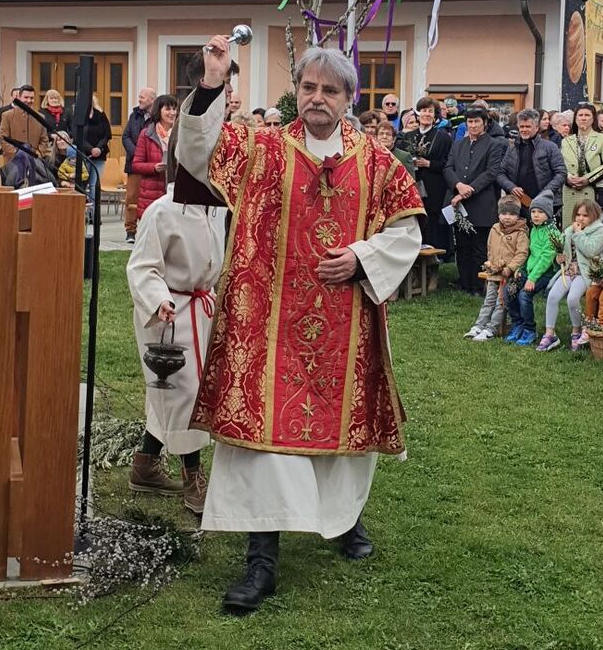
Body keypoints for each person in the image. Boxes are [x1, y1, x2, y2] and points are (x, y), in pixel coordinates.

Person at [175, 39, 424, 614]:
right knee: (265, 444)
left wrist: (361, 257)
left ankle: (342, 520)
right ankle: (261, 560)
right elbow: (197, 149)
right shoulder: (262, 148)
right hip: (266, 326)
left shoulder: (378, 163)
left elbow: (406, 232)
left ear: (348, 98)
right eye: (309, 87)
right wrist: (211, 83)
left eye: (329, 90)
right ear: (296, 92)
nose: (317, 98)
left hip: (344, 328)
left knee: (340, 440)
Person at [127, 173, 225, 513]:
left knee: (173, 395)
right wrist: (159, 300)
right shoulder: (162, 210)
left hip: (201, 307)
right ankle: (192, 479)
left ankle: (145, 463)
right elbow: (142, 267)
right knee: (184, 394)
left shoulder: (217, 208)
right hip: (169, 313)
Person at [444, 105, 507, 294]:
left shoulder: (494, 144)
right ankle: (464, 283)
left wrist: (468, 190)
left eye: (476, 121)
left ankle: (479, 285)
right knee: (462, 245)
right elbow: (448, 168)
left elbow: (491, 172)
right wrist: (458, 185)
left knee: (479, 246)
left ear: (485, 123)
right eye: (470, 122)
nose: (473, 125)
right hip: (458, 201)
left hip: (481, 202)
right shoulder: (458, 144)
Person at [538, 200, 603, 352]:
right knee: (552, 296)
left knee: (572, 299)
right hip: (569, 271)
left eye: (585, 215)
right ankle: (550, 334)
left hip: (586, 273)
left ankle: (576, 331)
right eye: (578, 214)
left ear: (594, 216)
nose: (580, 218)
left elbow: (591, 251)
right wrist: (559, 259)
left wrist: (579, 234)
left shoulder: (599, 231)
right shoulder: (569, 230)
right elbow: (563, 253)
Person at [465, 197, 529, 340]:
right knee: (488, 300)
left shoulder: (520, 232)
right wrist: (491, 264)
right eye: (504, 213)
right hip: (494, 272)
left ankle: (491, 329)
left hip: (508, 275)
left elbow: (522, 254)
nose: (507, 217)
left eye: (512, 214)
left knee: (501, 302)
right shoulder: (494, 229)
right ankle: (479, 326)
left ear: (517, 215)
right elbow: (490, 248)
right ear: (499, 214)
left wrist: (510, 268)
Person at [505, 190, 560, 346]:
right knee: (509, 290)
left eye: (540, 212)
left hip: (545, 273)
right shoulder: (534, 229)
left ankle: (530, 329)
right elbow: (529, 253)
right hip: (529, 270)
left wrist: (532, 278)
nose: (536, 215)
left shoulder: (553, 233)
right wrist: (520, 269)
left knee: (524, 295)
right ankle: (518, 324)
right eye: (533, 211)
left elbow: (546, 259)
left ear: (548, 214)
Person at [403, 97, 452, 251]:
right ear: (418, 114)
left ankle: (434, 255)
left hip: (434, 186)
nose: (426, 114)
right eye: (423, 110)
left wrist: (429, 164)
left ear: (435, 116)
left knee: (432, 220)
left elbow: (449, 163)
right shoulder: (408, 137)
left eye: (430, 111)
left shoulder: (443, 138)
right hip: (413, 184)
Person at [497, 108, 567, 214]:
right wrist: (511, 187)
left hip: (545, 205)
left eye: (528, 126)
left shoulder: (550, 147)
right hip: (518, 204)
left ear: (537, 127)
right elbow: (500, 173)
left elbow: (561, 173)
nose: (524, 130)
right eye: (522, 127)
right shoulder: (512, 148)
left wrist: (545, 193)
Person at [560, 102, 603, 218]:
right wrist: (568, 178)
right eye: (580, 115)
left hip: (592, 188)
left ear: (593, 119)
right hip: (570, 189)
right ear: (575, 119)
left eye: (587, 115)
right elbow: (560, 165)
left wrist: (588, 179)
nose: (583, 118)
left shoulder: (602, 137)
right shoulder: (566, 141)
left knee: (589, 221)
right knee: (570, 223)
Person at [132, 95, 178, 220]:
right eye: (168, 109)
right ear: (159, 111)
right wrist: (154, 167)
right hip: (152, 192)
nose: (172, 113)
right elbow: (136, 164)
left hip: (174, 191)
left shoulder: (180, 134)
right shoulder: (147, 134)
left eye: (174, 109)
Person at [122, 87, 157, 244]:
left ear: (152, 99)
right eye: (139, 97)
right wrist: (137, 154)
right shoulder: (134, 115)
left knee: (151, 198)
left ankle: (148, 229)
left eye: (142, 97)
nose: (139, 100)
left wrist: (146, 156)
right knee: (131, 197)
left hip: (151, 165)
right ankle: (130, 230)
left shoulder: (157, 117)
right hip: (134, 165)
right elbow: (126, 136)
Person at [0, 84, 50, 161]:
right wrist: (18, 154)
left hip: (34, 161)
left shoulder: (40, 117)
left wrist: (37, 154)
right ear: (19, 97)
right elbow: (3, 138)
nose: (29, 100)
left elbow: (44, 140)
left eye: (31, 98)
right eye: (26, 97)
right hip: (13, 161)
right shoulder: (7, 115)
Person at [81, 95, 112, 202]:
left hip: (99, 155)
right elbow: (77, 136)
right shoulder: (79, 117)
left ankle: (94, 210)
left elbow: (107, 134)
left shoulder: (101, 115)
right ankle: (83, 208)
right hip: (84, 155)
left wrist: (98, 148)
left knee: (94, 184)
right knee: (83, 183)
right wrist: (90, 149)